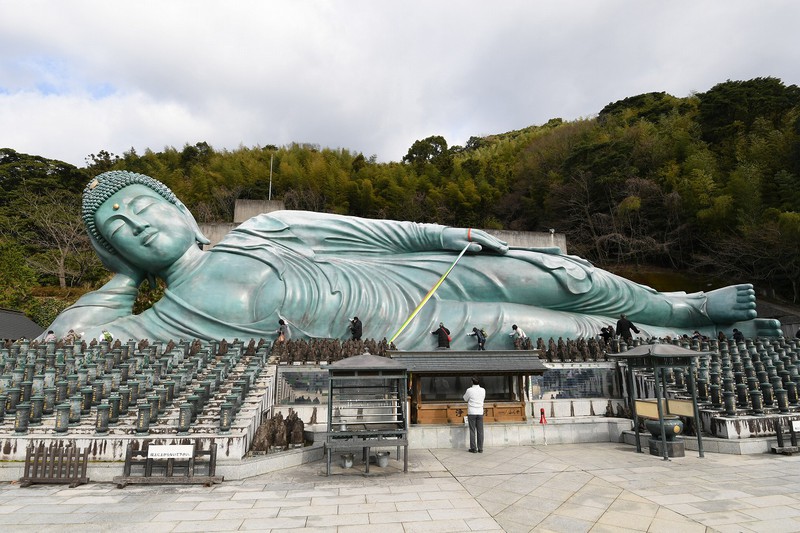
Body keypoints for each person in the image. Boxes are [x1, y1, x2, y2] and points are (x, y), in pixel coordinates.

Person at [38, 171, 781, 347]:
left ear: (177, 204)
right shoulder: (169, 317)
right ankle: (683, 336)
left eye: (144, 205)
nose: (138, 224)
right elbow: (64, 344)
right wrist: (127, 280)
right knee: (544, 328)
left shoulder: (271, 227)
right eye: (119, 230)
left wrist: (449, 235)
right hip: (401, 331)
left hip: (410, 275)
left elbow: (382, 232)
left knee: (559, 275)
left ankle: (683, 304)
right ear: (113, 251)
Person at [463, 377, 485, 453]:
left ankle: (473, 448)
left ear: (472, 382)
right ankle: (480, 448)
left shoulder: (469, 390)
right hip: (480, 411)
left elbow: (465, 399)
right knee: (480, 431)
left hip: (472, 412)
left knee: (472, 430)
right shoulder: (483, 390)